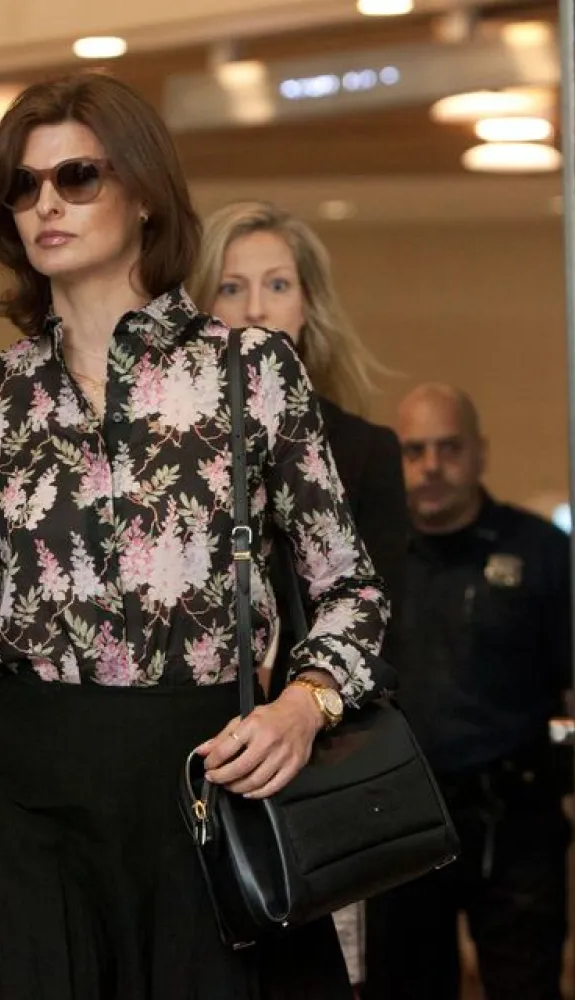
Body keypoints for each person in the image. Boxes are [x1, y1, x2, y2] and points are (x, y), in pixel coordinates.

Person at [0, 72, 389, 1000]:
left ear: (142, 192)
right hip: (32, 806)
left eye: (77, 177)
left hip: (204, 782)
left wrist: (304, 706)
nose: (46, 205)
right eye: (23, 188)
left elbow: (350, 591)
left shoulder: (248, 372)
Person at [189, 200, 410, 989]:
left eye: (276, 284)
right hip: (193, 761)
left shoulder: (365, 450)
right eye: (231, 287)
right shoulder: (171, 449)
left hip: (321, 762)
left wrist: (307, 707)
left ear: (308, 303)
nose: (254, 309)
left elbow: (386, 624)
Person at [364, 384, 572, 1000]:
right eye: (414, 450)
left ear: (479, 453)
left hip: (517, 823)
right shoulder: (366, 558)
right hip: (400, 826)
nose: (431, 466)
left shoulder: (541, 552)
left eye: (449, 448)